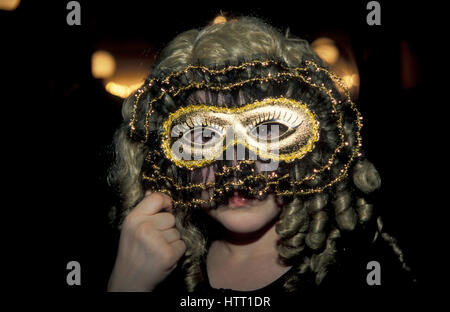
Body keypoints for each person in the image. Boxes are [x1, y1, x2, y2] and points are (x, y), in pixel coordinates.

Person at [107, 16, 412, 292]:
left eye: (266, 130)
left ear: (314, 143)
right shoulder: (155, 267)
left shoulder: (360, 269)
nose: (236, 165)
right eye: (204, 135)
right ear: (166, 158)